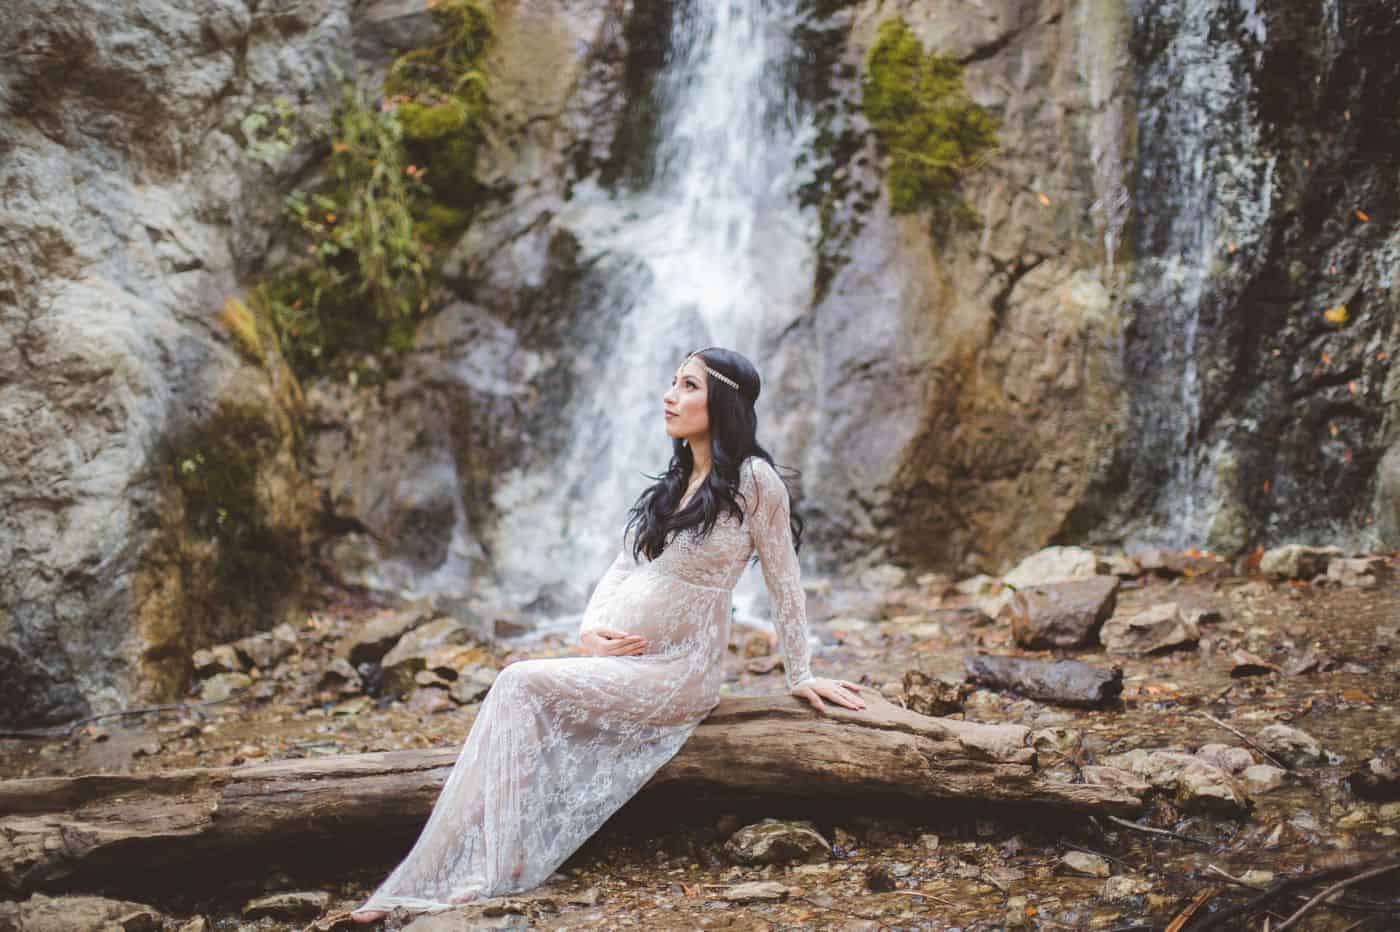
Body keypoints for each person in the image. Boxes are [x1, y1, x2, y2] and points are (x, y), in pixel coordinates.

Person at [348, 347, 864, 923]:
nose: (670, 395)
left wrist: (803, 674)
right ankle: (461, 866)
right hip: (629, 665)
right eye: (671, 382)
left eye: (687, 385)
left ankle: (483, 869)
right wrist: (589, 631)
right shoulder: (675, 483)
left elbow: (784, 581)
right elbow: (622, 569)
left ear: (722, 402)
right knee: (517, 698)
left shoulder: (754, 480)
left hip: (680, 672)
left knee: (518, 683)